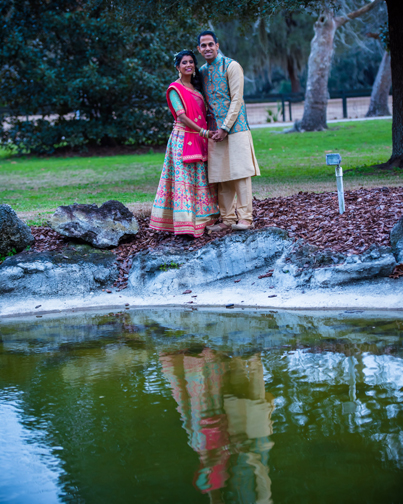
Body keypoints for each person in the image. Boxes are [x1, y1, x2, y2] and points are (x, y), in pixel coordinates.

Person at [150, 50, 219, 238]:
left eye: (191, 62)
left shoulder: (197, 90)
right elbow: (181, 116)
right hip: (182, 139)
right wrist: (203, 132)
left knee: (200, 178)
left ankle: (204, 220)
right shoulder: (175, 89)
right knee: (184, 181)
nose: (188, 65)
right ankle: (185, 224)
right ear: (177, 66)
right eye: (184, 63)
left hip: (199, 137)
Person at [197, 31, 260, 232]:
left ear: (217, 45)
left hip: (236, 129)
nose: (207, 48)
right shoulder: (202, 72)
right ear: (199, 49)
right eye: (203, 46)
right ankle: (227, 219)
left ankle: (246, 219)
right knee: (221, 176)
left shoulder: (231, 66)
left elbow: (237, 99)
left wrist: (225, 127)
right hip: (214, 131)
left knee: (240, 174)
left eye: (210, 44)